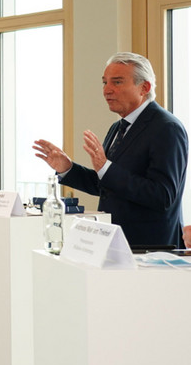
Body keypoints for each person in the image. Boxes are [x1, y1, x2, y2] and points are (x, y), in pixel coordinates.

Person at [33, 52, 188, 248]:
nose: (107, 90)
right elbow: (106, 185)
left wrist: (106, 167)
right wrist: (67, 168)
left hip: (152, 249)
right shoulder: (118, 127)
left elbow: (162, 196)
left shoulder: (167, 128)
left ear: (144, 87)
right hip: (114, 243)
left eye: (117, 82)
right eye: (104, 83)